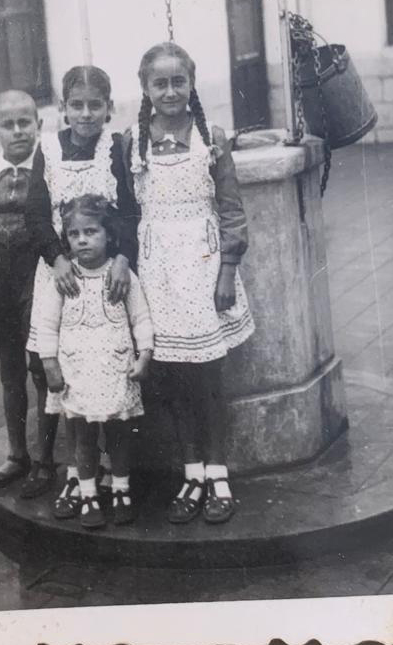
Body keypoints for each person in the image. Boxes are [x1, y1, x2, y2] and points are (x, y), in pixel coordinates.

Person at [124, 42, 254, 525]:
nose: (171, 90)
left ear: (192, 83)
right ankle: (192, 472)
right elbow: (126, 212)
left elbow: (232, 212)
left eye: (179, 81)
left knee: (208, 379)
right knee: (175, 381)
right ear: (145, 88)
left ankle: (219, 473)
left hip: (203, 273)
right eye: (160, 83)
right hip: (159, 276)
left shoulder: (211, 138)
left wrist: (227, 271)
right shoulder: (132, 143)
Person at [25, 65, 139, 518]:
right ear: (63, 108)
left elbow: (129, 212)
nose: (86, 114)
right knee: (64, 372)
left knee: (108, 369)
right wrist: (56, 258)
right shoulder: (47, 150)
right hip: (62, 277)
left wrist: (124, 259)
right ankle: (76, 475)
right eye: (77, 105)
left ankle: (114, 473)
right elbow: (36, 214)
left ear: (109, 108)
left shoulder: (116, 147)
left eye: (95, 105)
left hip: (107, 277)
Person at [0, 90, 58, 497]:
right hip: (0, 286)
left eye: (26, 122)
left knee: (42, 370)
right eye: (8, 124)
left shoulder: (49, 169)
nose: (18, 131)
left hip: (37, 283)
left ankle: (45, 459)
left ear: (38, 124)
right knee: (11, 375)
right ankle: (17, 454)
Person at [39, 194, 153, 529]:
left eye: (91, 232)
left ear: (109, 235)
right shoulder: (61, 280)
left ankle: (120, 489)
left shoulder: (123, 276)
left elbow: (141, 318)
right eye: (75, 235)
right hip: (77, 373)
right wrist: (50, 366)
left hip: (115, 369)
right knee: (82, 438)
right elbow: (46, 326)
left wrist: (144, 354)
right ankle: (88, 494)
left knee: (118, 434)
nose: (83, 240)